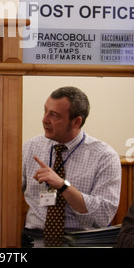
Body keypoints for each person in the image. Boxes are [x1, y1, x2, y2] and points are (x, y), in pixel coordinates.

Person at [22, 86, 121, 247]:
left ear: (76, 122)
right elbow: (6, 193)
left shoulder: (105, 156)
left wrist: (63, 186)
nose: (45, 119)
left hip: (82, 241)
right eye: (45, 111)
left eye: (54, 115)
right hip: (34, 239)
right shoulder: (31, 147)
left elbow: (103, 215)